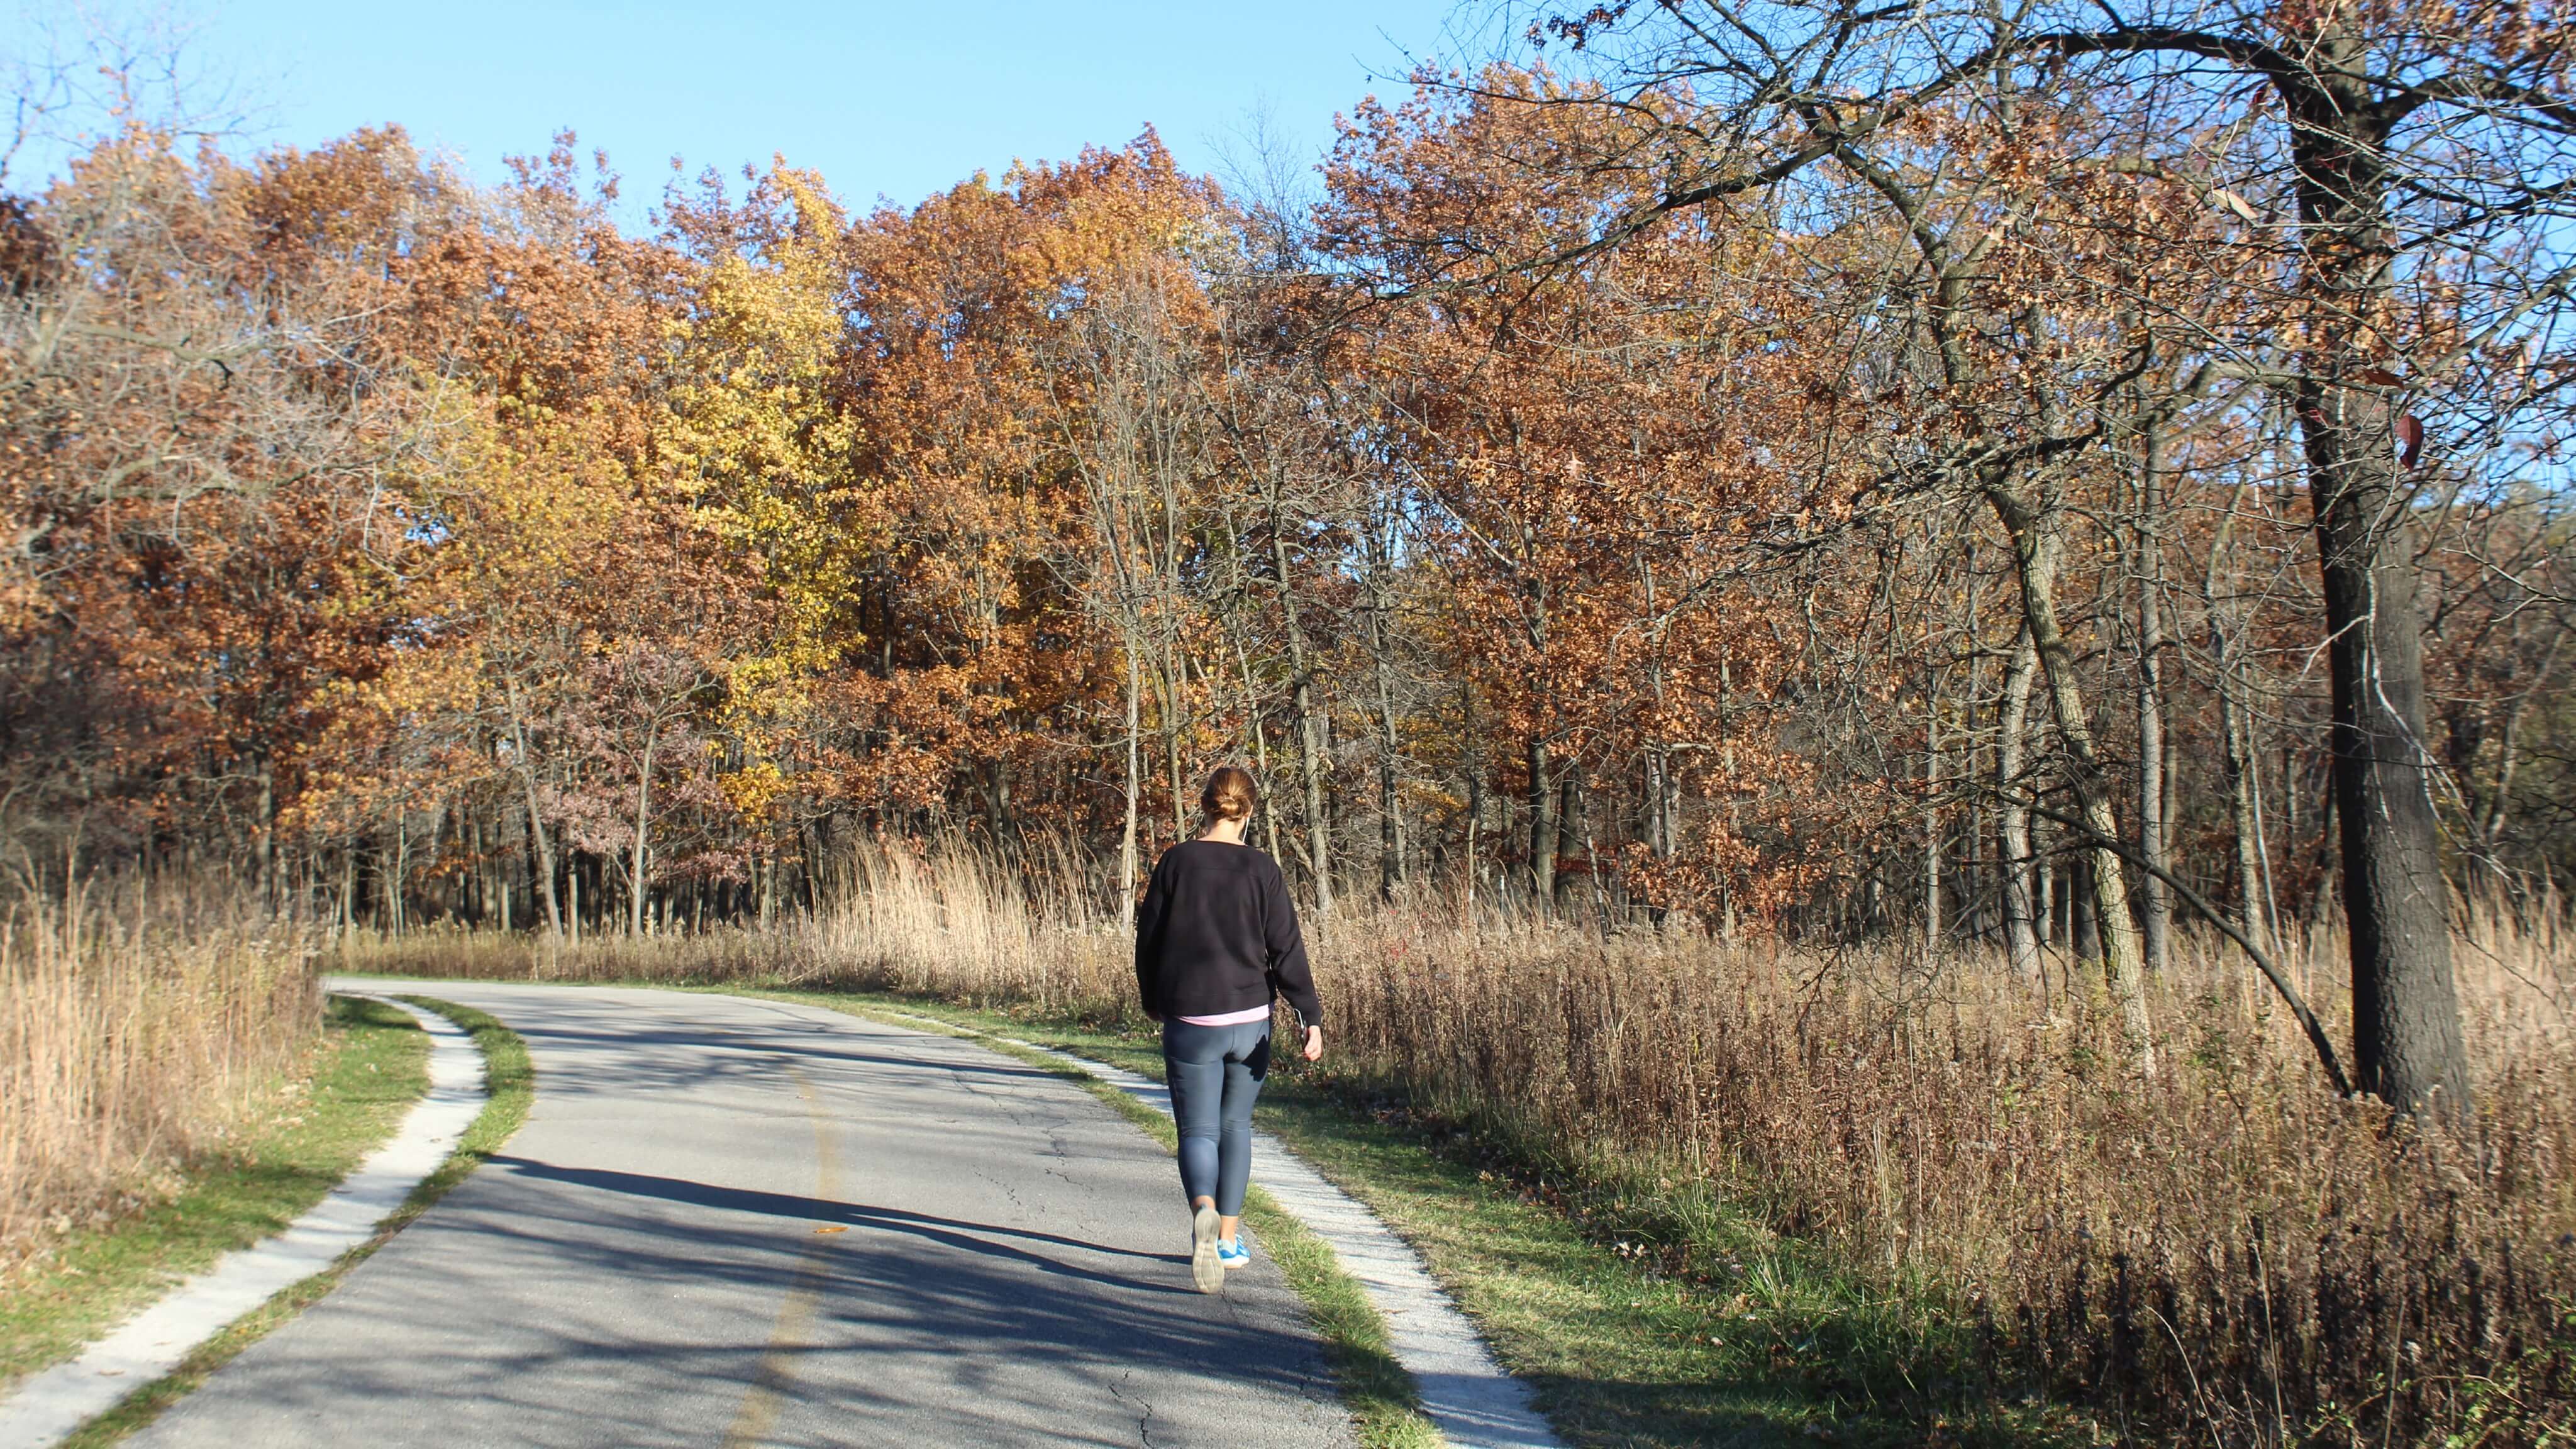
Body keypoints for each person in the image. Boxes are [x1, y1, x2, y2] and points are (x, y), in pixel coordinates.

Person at [1133, 765, 1323, 1294]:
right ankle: (1230, 1241)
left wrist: (1154, 1001)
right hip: (1250, 1023)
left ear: (1204, 806)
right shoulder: (1262, 870)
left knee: (1198, 1131)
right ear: (1250, 811)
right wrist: (1310, 1016)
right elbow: (1287, 948)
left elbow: (1147, 942)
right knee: (1236, 1128)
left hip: (1192, 1021)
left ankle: (1204, 1211)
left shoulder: (1175, 863)